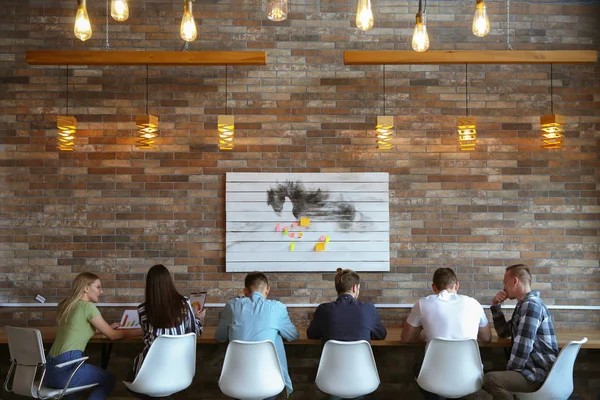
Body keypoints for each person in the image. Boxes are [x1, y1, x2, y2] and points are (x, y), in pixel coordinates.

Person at [45, 272, 143, 400]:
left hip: (49, 371)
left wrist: (105, 328)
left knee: (71, 391)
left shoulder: (65, 305)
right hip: (66, 368)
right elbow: (113, 336)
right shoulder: (88, 307)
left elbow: (77, 329)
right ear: (86, 288)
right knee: (109, 379)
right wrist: (142, 330)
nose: (101, 292)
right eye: (98, 287)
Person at [401, 268, 492, 400]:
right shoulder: (474, 304)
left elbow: (406, 338)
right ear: (457, 285)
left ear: (433, 287)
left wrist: (425, 333)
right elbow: (487, 337)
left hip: (434, 378)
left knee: (418, 367)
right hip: (470, 377)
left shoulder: (422, 304)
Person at [216, 271, 299, 398]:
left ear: (245, 291)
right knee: (275, 338)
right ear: (267, 290)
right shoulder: (277, 308)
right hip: (269, 382)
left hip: (237, 382)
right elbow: (293, 336)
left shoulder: (231, 306)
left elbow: (220, 337)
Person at [483, 264, 558, 400]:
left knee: (491, 379)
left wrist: (507, 374)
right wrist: (496, 306)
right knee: (494, 378)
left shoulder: (531, 305)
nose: (504, 287)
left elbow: (523, 347)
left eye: (505, 282)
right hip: (532, 370)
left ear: (515, 281)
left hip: (537, 374)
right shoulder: (524, 305)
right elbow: (504, 332)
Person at [131, 264, 205, 378]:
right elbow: (194, 332)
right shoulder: (184, 303)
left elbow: (146, 331)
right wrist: (198, 319)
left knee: (129, 379)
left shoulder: (142, 309)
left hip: (148, 372)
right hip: (179, 369)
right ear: (169, 282)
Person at [307, 268, 387, 342]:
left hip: (332, 357)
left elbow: (311, 334)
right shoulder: (369, 309)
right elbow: (381, 335)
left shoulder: (323, 309)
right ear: (354, 288)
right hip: (360, 357)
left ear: (337, 288)